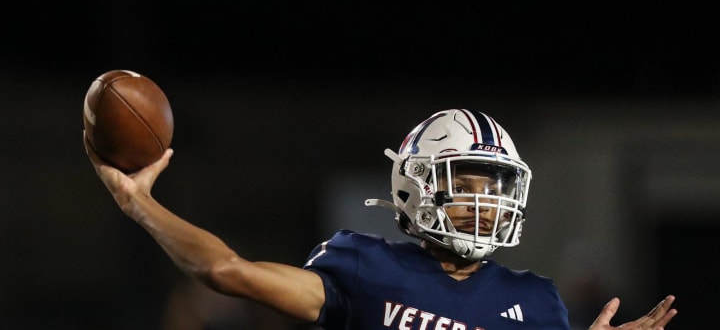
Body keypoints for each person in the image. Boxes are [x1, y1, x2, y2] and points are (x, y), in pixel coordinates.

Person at [84, 108, 677, 330]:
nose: (484, 203)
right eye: (463, 186)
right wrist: (139, 203)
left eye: (493, 188)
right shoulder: (363, 265)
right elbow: (225, 270)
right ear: (416, 190)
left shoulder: (538, 303)